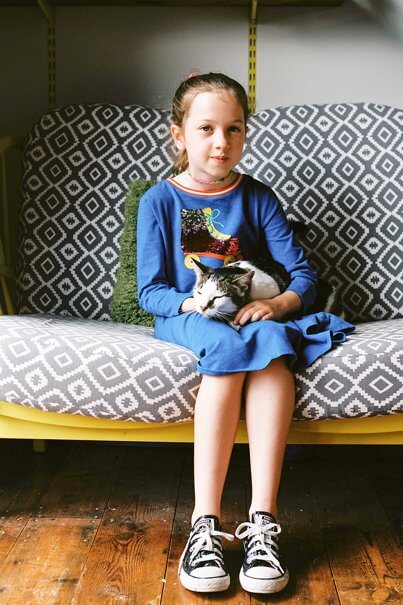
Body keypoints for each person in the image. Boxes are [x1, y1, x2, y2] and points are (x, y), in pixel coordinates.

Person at [136, 73, 354, 595]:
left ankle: (262, 522)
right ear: (178, 134)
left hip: (250, 311)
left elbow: (303, 274)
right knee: (230, 344)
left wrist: (276, 304)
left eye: (234, 129)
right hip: (189, 313)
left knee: (273, 343)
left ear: (245, 134)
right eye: (206, 128)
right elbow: (151, 290)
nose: (221, 142)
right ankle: (204, 524)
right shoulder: (159, 201)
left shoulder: (257, 196)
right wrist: (190, 303)